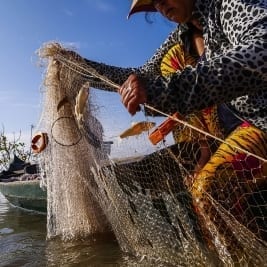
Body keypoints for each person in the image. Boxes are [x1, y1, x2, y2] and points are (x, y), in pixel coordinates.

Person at [119, 0, 267, 245]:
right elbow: (140, 74)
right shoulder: (182, 34)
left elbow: (262, 50)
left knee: (206, 191)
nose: (161, 5)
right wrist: (82, 67)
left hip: (259, 123)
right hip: (223, 131)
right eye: (154, 2)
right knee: (170, 61)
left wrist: (167, 89)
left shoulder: (228, 4)